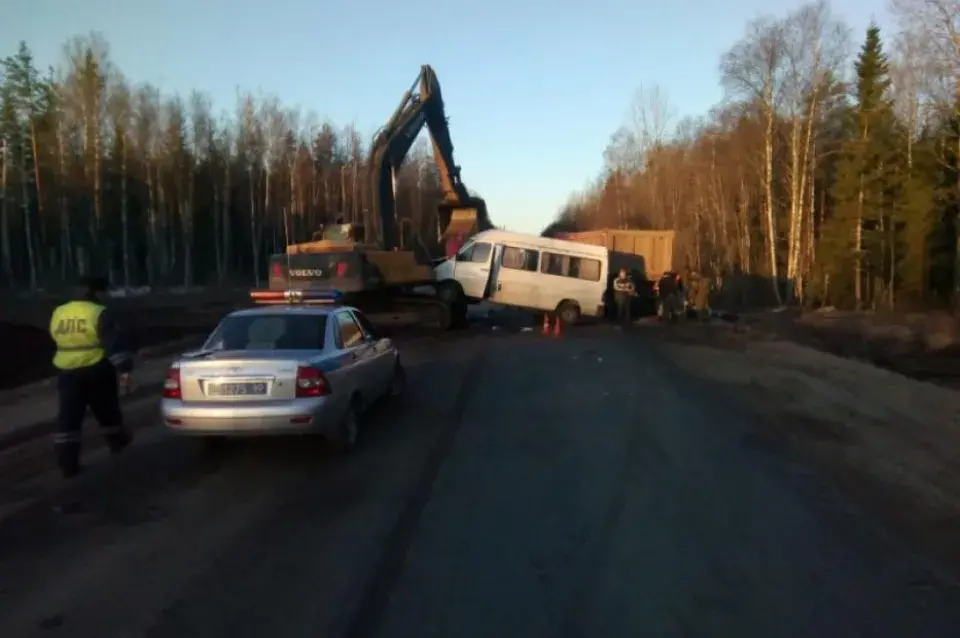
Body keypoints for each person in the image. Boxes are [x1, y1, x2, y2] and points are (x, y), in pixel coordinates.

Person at [49, 276, 134, 478]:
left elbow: (55, 337)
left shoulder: (60, 311)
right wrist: (124, 370)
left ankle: (68, 464)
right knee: (107, 411)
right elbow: (114, 345)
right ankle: (118, 445)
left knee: (69, 418)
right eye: (104, 292)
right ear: (96, 292)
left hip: (67, 371)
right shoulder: (98, 313)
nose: (106, 296)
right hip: (96, 368)